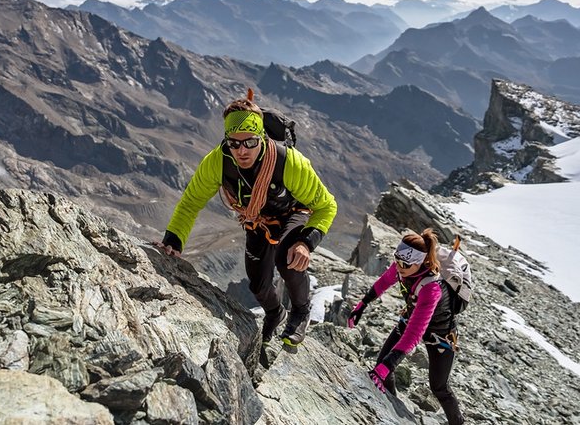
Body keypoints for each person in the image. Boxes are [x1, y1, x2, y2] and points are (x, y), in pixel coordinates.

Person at [156, 93, 337, 346]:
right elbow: (191, 202)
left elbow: (327, 206)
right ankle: (275, 313)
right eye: (234, 143)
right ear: (227, 140)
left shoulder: (289, 162)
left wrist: (306, 243)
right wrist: (174, 240)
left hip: (293, 213)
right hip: (257, 219)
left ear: (262, 137)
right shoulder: (218, 161)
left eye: (250, 142)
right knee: (258, 286)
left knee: (289, 258)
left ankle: (300, 310)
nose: (242, 150)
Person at [347, 228, 465, 425]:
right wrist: (362, 304)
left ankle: (458, 423)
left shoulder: (432, 289)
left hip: (441, 337)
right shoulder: (404, 266)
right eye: (397, 260)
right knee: (382, 368)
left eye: (405, 264)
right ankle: (392, 409)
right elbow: (384, 282)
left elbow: (414, 334)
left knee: (439, 387)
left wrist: (388, 365)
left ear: (421, 262)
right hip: (411, 320)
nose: (399, 266)